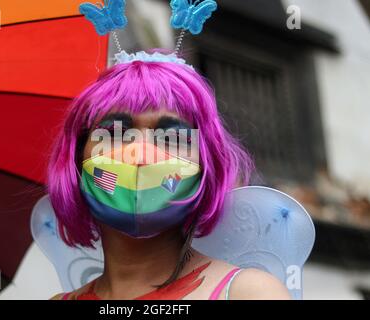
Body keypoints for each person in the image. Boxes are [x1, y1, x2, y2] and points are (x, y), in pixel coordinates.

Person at [46, 52, 291, 300]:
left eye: (171, 137)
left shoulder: (250, 294)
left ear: (206, 163)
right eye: (114, 132)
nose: (140, 154)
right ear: (77, 157)